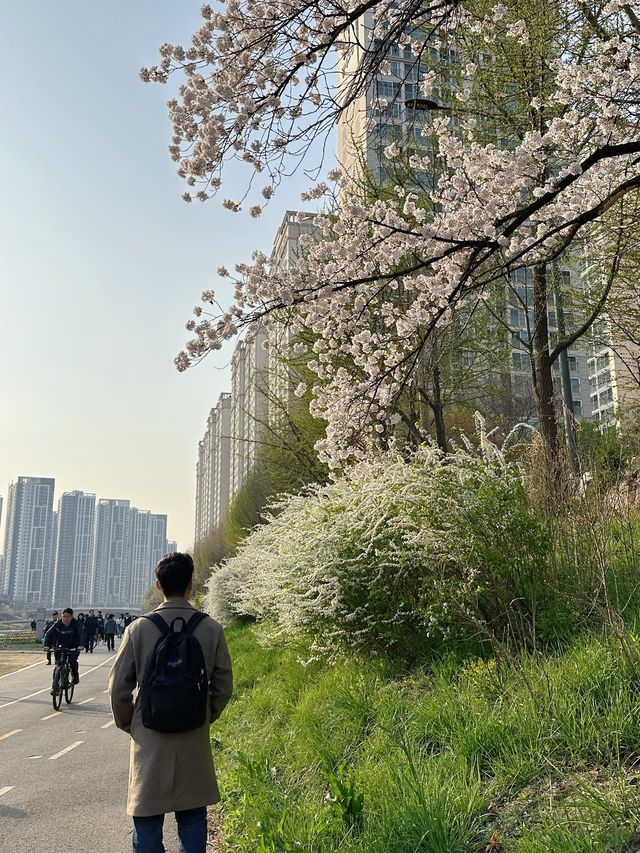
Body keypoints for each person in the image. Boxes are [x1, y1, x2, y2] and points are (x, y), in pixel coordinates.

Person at [109, 552, 233, 853]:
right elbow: (223, 686)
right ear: (191, 585)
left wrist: (131, 724)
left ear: (158, 585)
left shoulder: (138, 629)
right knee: (192, 816)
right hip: (193, 736)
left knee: (147, 820)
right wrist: (204, 715)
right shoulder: (211, 628)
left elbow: (118, 689)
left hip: (150, 738)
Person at [43, 608, 85, 685]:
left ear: (72, 616)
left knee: (72, 662)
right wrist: (46, 645)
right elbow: (48, 634)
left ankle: (75, 677)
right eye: (64, 616)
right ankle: (55, 685)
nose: (65, 619)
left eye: (67, 616)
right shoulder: (57, 624)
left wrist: (81, 645)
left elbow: (81, 634)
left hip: (73, 647)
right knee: (58, 665)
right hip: (60, 647)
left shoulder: (76, 624)